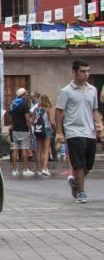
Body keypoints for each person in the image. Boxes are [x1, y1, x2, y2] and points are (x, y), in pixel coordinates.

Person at [56, 60, 99, 203]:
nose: (86, 74)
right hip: (73, 130)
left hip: (90, 131)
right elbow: (59, 111)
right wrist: (59, 132)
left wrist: (100, 125)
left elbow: (95, 110)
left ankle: (75, 181)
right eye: (82, 71)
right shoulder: (66, 91)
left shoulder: (92, 90)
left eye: (88, 71)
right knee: (78, 163)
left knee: (89, 164)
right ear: (74, 72)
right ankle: (81, 192)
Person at [9, 88, 36, 177]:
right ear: (22, 95)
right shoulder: (24, 105)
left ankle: (14, 170)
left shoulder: (13, 104)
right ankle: (25, 169)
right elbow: (27, 119)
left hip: (14, 129)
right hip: (23, 129)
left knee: (15, 150)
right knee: (24, 149)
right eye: (26, 94)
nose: (27, 96)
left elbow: (11, 117)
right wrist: (31, 131)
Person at [32, 94, 53, 176]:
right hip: (47, 129)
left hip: (38, 129)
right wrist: (54, 128)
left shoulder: (36, 109)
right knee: (46, 150)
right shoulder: (48, 109)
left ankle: (39, 168)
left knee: (38, 149)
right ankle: (45, 168)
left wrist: (36, 127)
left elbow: (32, 121)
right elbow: (51, 121)